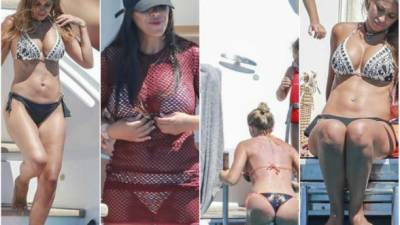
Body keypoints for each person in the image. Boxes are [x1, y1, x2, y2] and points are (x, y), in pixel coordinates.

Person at [100, 0, 199, 224]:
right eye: (147, 8)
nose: (156, 14)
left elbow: (217, 118)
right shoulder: (111, 59)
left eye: (162, 6)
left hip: (182, 187)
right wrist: (112, 130)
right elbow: (90, 119)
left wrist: (190, 122)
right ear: (130, 14)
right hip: (124, 187)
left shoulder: (191, 55)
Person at [304, 0, 398, 224]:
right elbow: (330, 82)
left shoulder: (397, 42)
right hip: (331, 119)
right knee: (331, 129)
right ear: (369, 3)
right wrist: (314, 20)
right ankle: (336, 213)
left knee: (359, 131)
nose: (382, 19)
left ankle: (356, 213)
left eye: (392, 16)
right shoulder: (341, 31)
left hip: (374, 126)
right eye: (380, 9)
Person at [1, 0, 93, 224]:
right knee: (38, 161)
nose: (42, 9)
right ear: (28, 3)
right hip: (21, 104)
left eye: (47, 5)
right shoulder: (12, 25)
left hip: (53, 108)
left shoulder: (60, 27)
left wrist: (82, 27)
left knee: (51, 178)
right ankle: (22, 182)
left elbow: (87, 61)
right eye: (37, 4)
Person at [220, 103, 299, 225]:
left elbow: (232, 179)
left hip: (261, 199)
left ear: (251, 128)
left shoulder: (245, 145)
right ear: (272, 128)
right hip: (289, 201)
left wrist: (220, 174)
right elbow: (304, 176)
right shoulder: (289, 148)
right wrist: (293, 183)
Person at [276, 39, 299, 151]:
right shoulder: (291, 71)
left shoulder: (311, 68)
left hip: (310, 115)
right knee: (296, 151)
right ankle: (297, 168)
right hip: (295, 116)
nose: (294, 58)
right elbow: (280, 97)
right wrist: (282, 87)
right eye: (294, 54)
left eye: (296, 54)